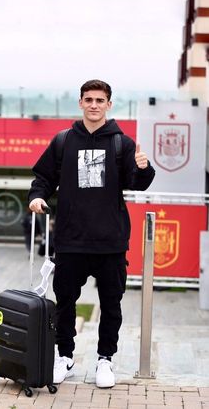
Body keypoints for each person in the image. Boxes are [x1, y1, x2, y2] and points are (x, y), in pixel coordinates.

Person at [28, 79, 155, 388]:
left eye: (100, 100)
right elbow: (43, 176)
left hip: (110, 241)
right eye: (89, 99)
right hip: (71, 239)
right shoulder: (63, 141)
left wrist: (144, 167)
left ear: (109, 104)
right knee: (65, 302)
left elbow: (136, 183)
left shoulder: (121, 144)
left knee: (112, 304)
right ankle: (65, 357)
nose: (94, 105)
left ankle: (105, 361)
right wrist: (37, 195)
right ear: (81, 103)